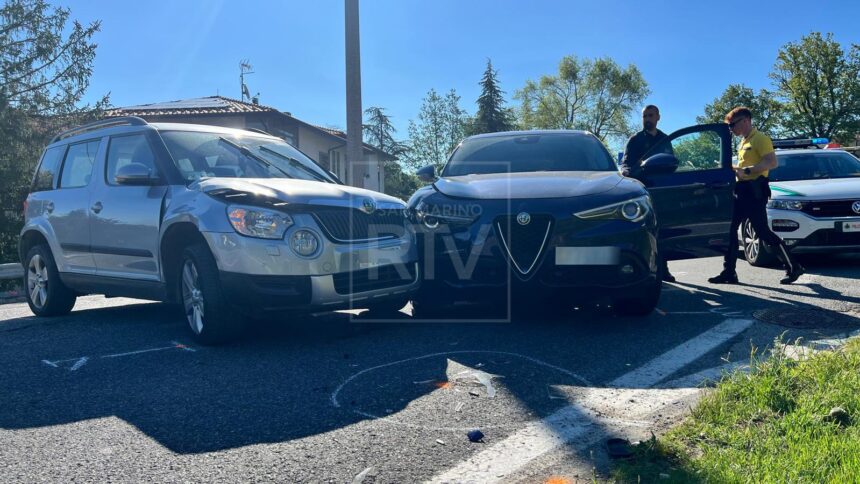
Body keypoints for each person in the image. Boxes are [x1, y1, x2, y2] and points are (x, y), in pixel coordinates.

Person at [708, 107, 804, 285]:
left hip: (755, 191)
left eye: (732, 124)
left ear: (745, 120)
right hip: (741, 190)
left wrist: (747, 170)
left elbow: (771, 162)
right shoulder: (743, 142)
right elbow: (746, 167)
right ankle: (729, 272)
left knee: (762, 231)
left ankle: (793, 267)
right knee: (729, 230)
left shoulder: (760, 138)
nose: (731, 129)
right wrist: (734, 170)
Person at [621, 105, 675, 282]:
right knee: (645, 230)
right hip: (641, 191)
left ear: (658, 117)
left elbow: (672, 163)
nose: (647, 119)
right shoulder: (635, 140)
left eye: (650, 115)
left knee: (663, 229)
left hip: (662, 190)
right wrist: (627, 173)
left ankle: (664, 268)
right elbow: (625, 164)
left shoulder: (664, 139)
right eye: (644, 116)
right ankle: (642, 270)